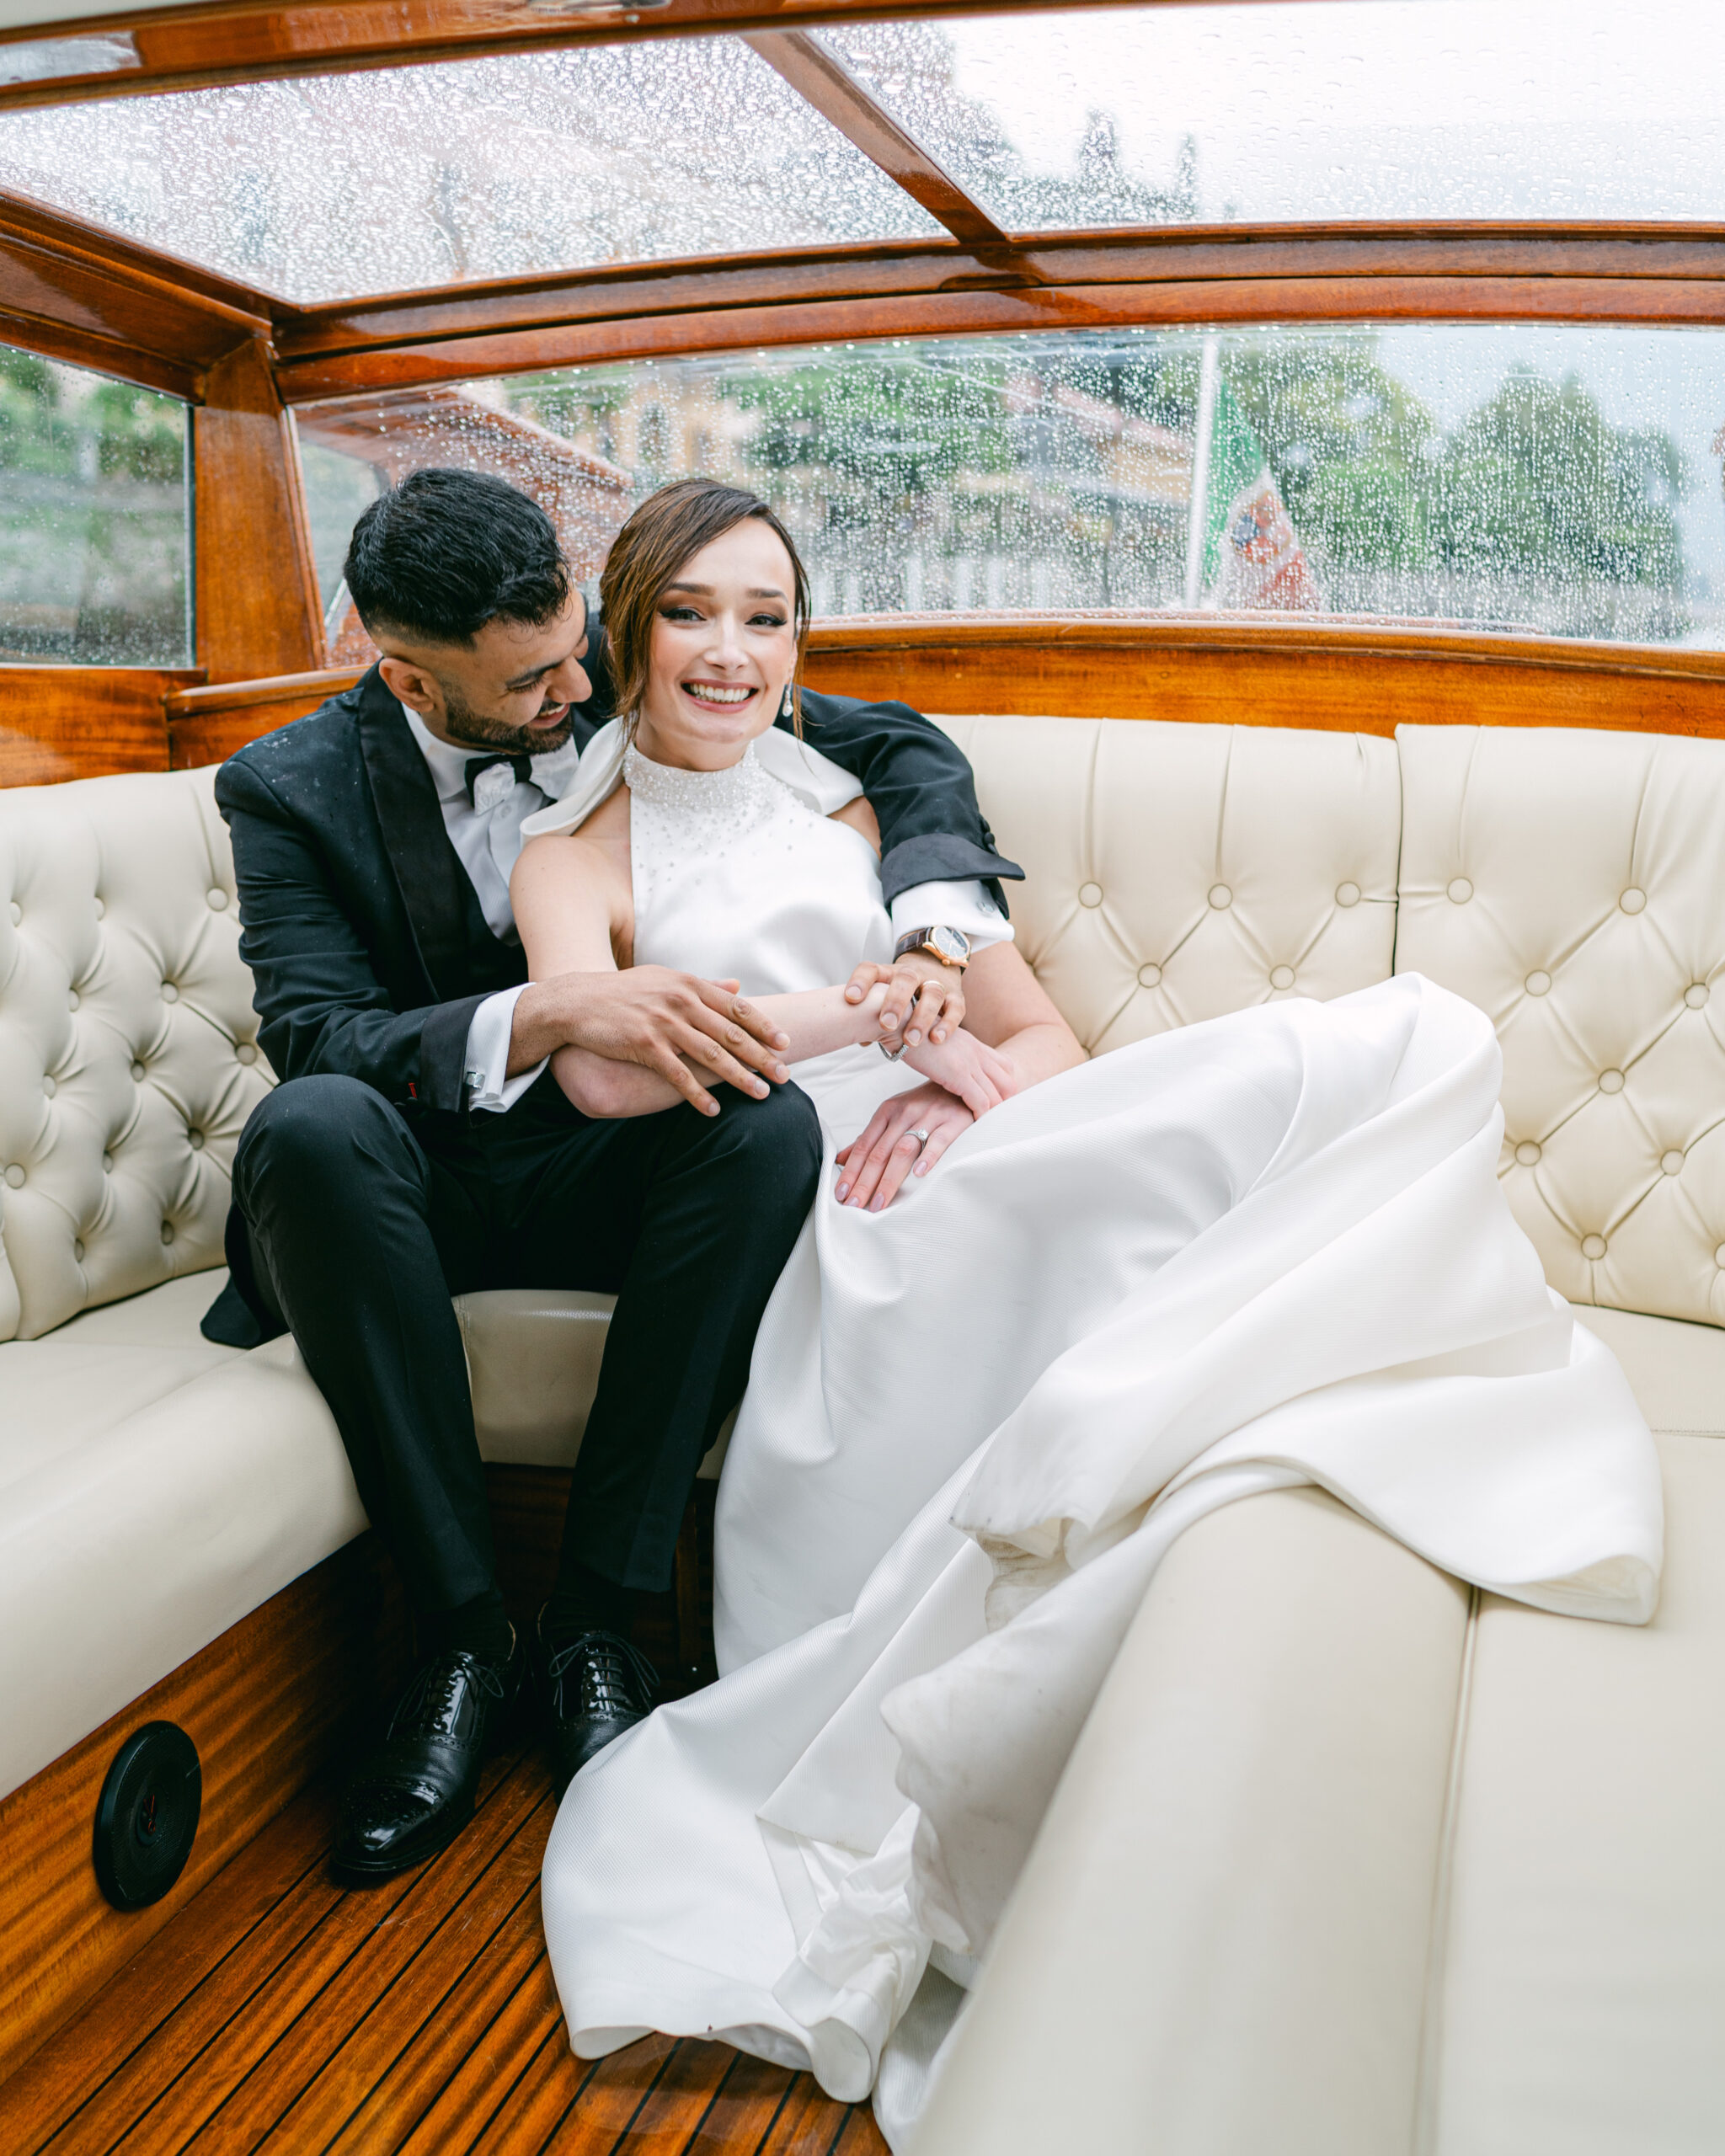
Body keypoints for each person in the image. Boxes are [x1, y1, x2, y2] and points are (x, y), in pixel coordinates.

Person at [515, 478, 1663, 2147]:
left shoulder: (862, 824)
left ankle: (1311, 1353)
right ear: (627, 633)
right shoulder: (573, 854)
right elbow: (607, 1065)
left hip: (961, 1143)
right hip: (807, 1196)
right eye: (693, 610)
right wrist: (865, 1026)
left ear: (797, 647)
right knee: (1307, 1086)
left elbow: (1034, 1039)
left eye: (766, 616)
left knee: (1383, 1046)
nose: (731, 649)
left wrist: (954, 1097)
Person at [204, 466, 1025, 1880]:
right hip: (424, 1183)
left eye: (580, 641)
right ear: (407, 675)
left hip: (610, 1162)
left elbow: (888, 744)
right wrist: (553, 1010)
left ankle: (599, 1622)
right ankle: (460, 1640)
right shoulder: (287, 789)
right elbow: (314, 1032)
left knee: (761, 1124)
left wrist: (938, 941)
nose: (575, 686)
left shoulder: (636, 687)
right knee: (310, 1124)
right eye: (529, 682)